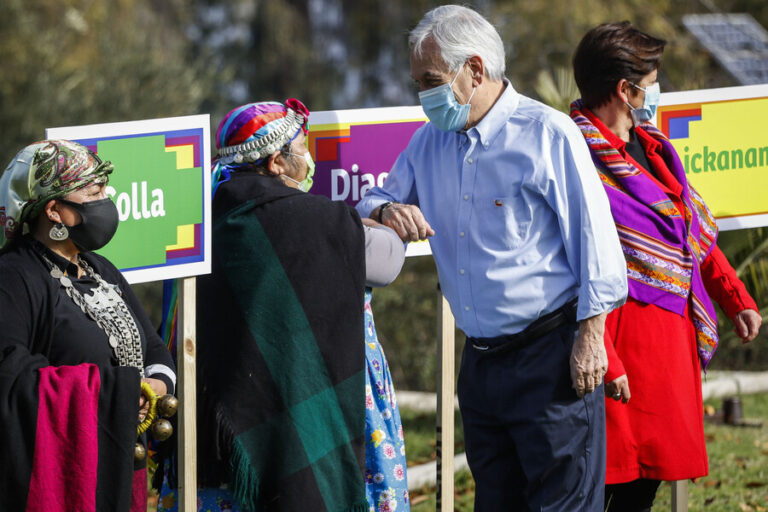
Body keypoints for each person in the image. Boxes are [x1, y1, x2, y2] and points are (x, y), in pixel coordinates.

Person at [356, 5, 628, 511]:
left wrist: (592, 340)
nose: (422, 97)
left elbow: (598, 247)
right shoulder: (428, 141)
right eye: (418, 82)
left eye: (431, 80)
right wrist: (390, 207)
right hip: (480, 364)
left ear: (474, 69)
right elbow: (371, 200)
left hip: (551, 359)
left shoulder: (547, 133)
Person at [157, 99, 406, 512]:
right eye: (303, 149)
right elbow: (389, 260)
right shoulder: (321, 220)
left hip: (226, 419)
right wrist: (376, 220)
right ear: (276, 162)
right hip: (312, 396)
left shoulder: (199, 219)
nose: (310, 161)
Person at [570, 21, 762, 512]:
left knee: (646, 489)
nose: (656, 93)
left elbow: (685, 231)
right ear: (624, 89)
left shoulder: (653, 146)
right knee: (607, 488)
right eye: (651, 84)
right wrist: (606, 360)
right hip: (618, 349)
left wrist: (732, 295)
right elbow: (566, 267)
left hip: (669, 348)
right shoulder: (572, 157)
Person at [0, 140, 176, 511]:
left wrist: (153, 387)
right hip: (65, 477)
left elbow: (154, 348)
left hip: (120, 465)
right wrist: (116, 392)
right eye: (94, 191)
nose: (107, 198)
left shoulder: (100, 268)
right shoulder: (14, 276)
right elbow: (10, 376)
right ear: (54, 210)